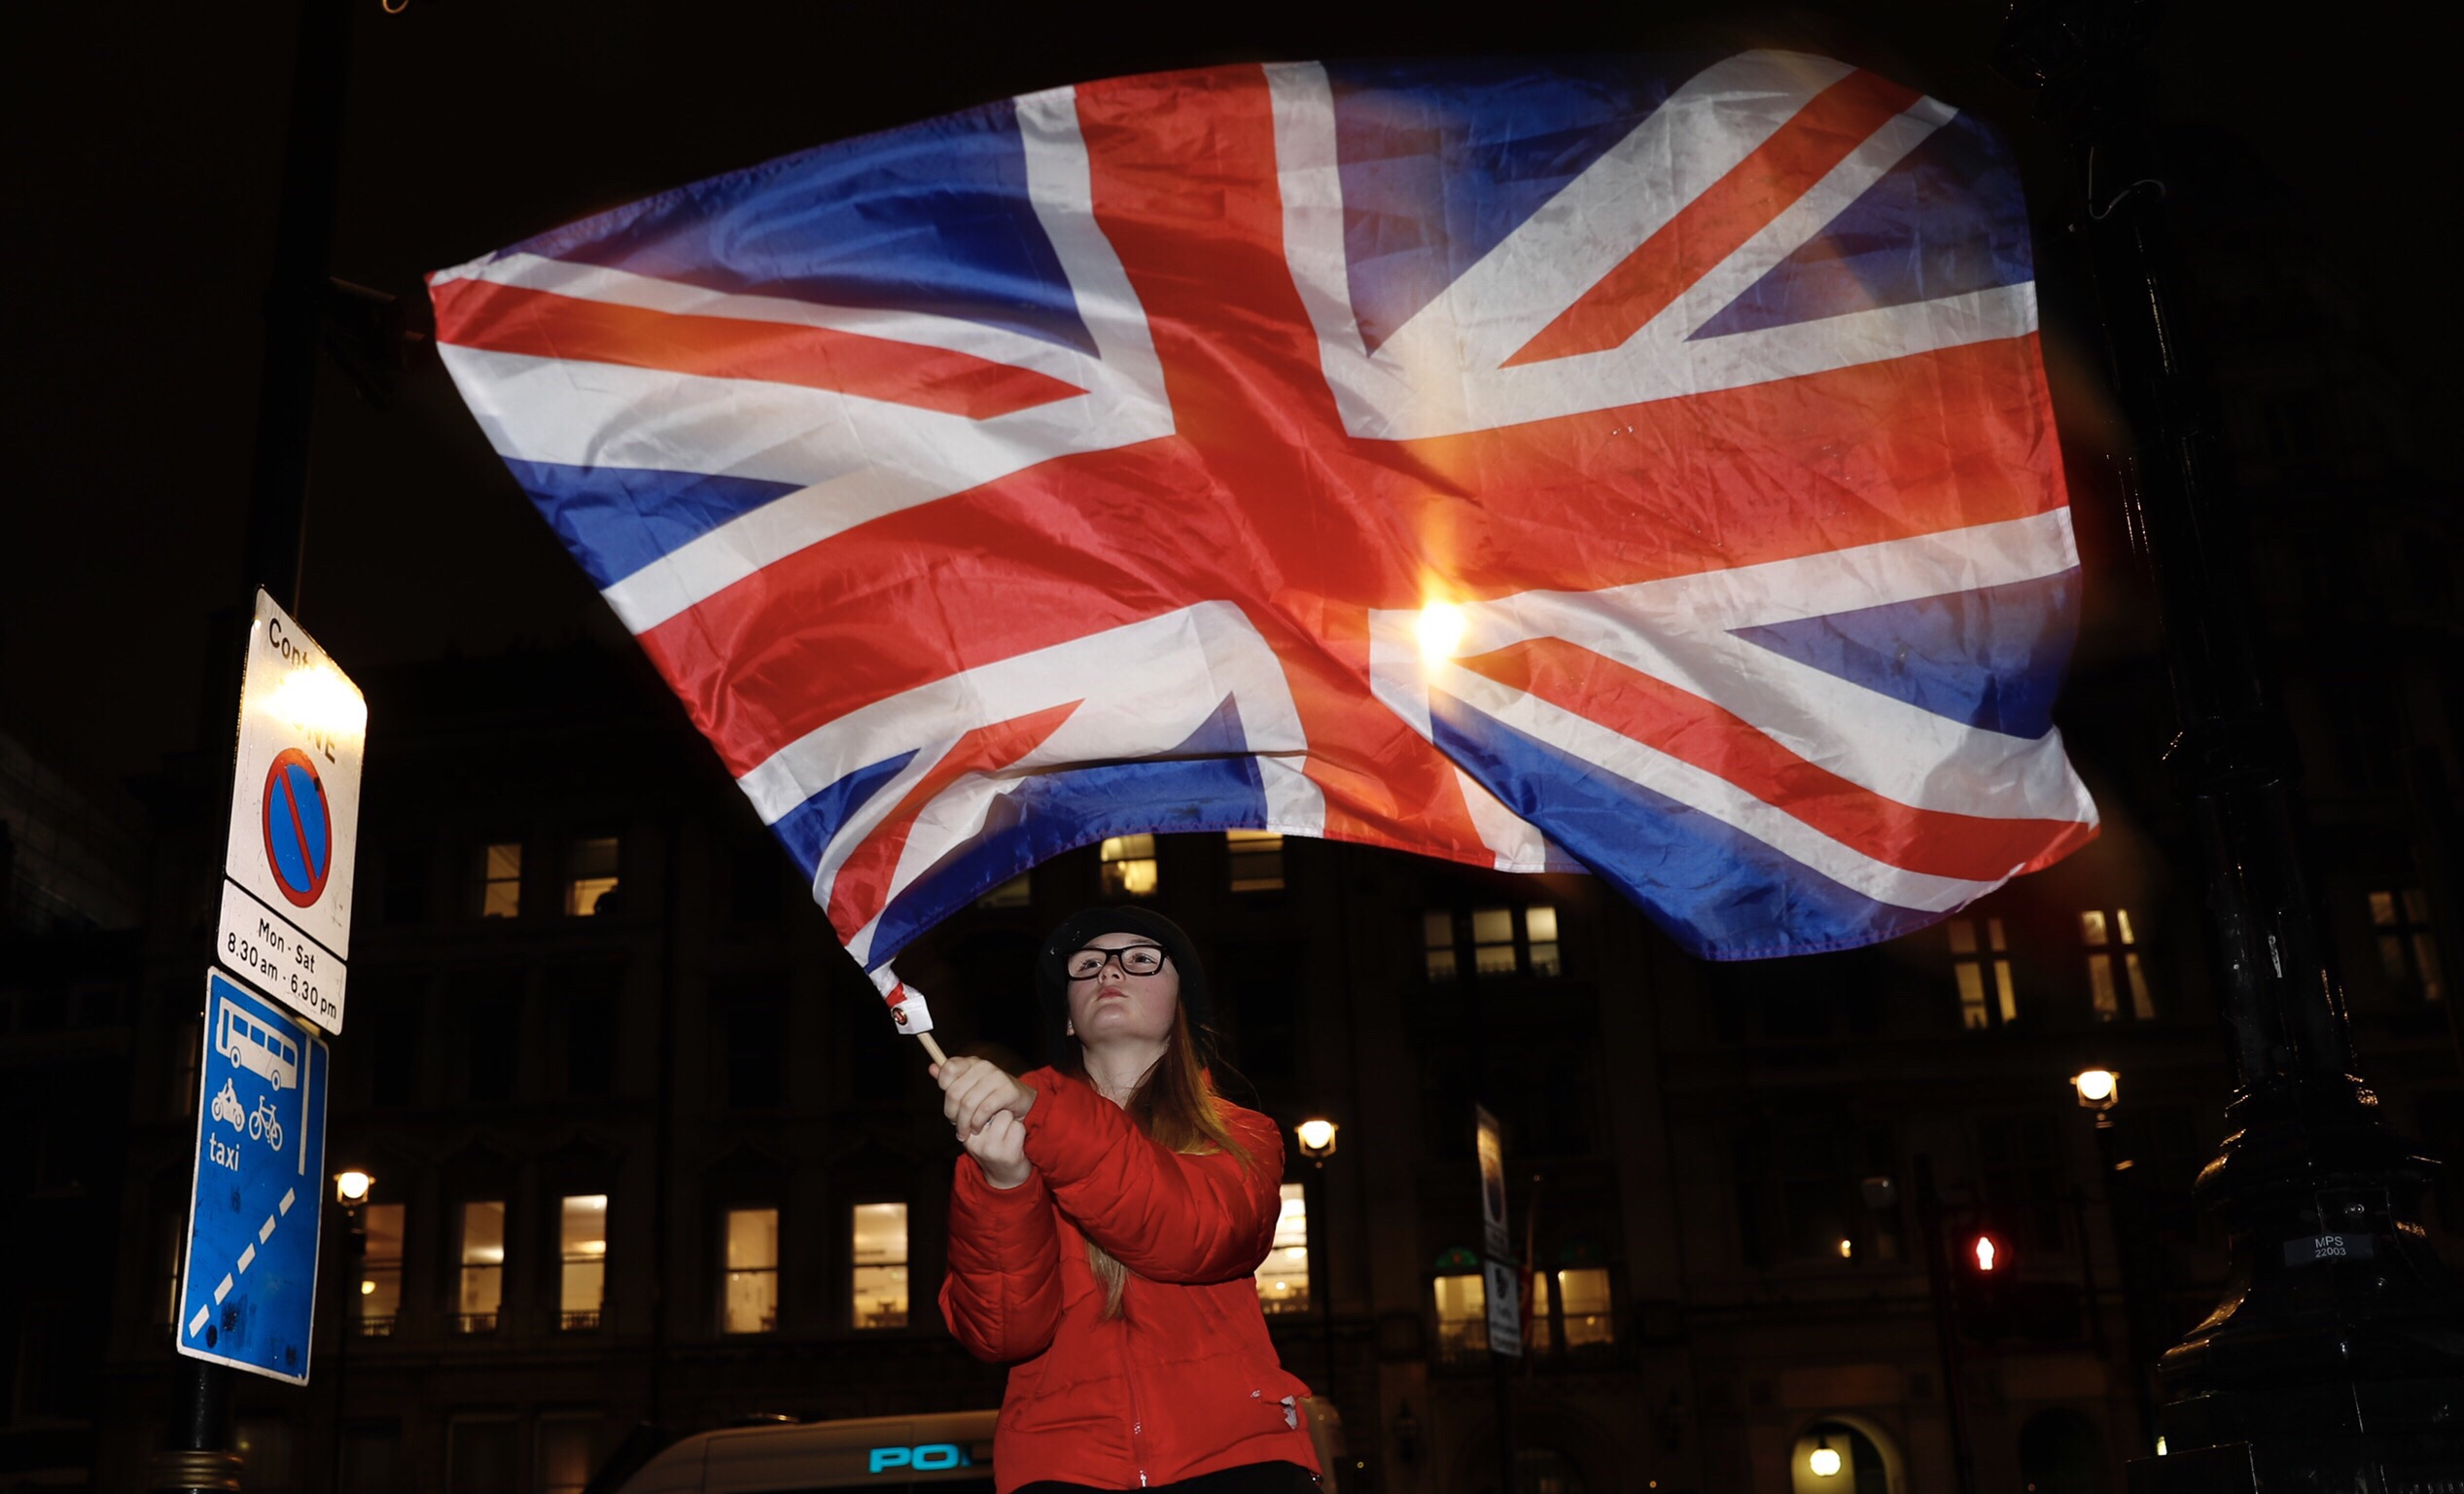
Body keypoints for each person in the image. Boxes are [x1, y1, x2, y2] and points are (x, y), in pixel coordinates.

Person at [934, 906, 1320, 1494]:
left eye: (1140, 959)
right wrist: (1005, 1185)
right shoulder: (1012, 1138)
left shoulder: (1241, 1133)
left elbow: (1199, 1235)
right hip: (1060, 1469)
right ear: (1068, 1018)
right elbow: (1003, 1333)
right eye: (1086, 966)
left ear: (1179, 1005)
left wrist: (1042, 1113)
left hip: (1235, 1462)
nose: (1108, 973)